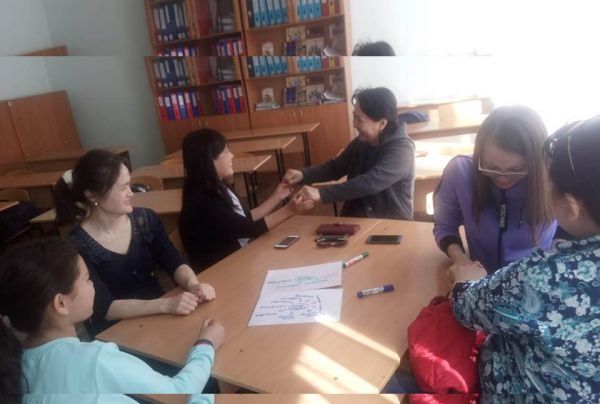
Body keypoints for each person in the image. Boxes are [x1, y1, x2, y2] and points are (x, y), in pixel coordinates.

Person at [450, 116, 600, 404]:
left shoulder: (547, 277)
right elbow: (445, 224)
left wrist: (465, 281)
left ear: (572, 205)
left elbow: (466, 306)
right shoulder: (460, 173)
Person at [0, 238, 225, 404]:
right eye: (87, 279)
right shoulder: (94, 363)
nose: (93, 285)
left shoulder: (13, 369)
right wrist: (206, 345)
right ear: (61, 303)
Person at [54, 149, 216, 337]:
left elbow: (174, 262)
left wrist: (193, 284)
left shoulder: (146, 219)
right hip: (116, 331)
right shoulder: (76, 245)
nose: (131, 193)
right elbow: (104, 307)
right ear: (92, 196)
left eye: (129, 185)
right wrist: (166, 305)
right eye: (123, 188)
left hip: (159, 314)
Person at [434, 105, 557, 273]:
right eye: (491, 168)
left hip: (534, 279)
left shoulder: (553, 177)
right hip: (480, 276)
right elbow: (444, 226)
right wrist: (461, 260)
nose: (503, 178)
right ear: (479, 155)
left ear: (536, 163)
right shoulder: (460, 171)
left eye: (516, 170)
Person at [178, 129, 314, 273]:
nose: (231, 155)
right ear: (210, 159)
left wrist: (277, 197)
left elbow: (243, 219)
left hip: (236, 260)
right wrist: (289, 210)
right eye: (226, 151)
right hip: (221, 271)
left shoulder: (219, 186)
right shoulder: (204, 201)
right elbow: (250, 229)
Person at [284, 87, 415, 219]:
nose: (354, 124)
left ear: (382, 123)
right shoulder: (362, 141)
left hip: (390, 223)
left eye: (359, 120)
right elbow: (335, 168)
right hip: (356, 218)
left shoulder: (402, 149)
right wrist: (303, 174)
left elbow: (370, 183)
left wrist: (321, 194)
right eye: (354, 117)